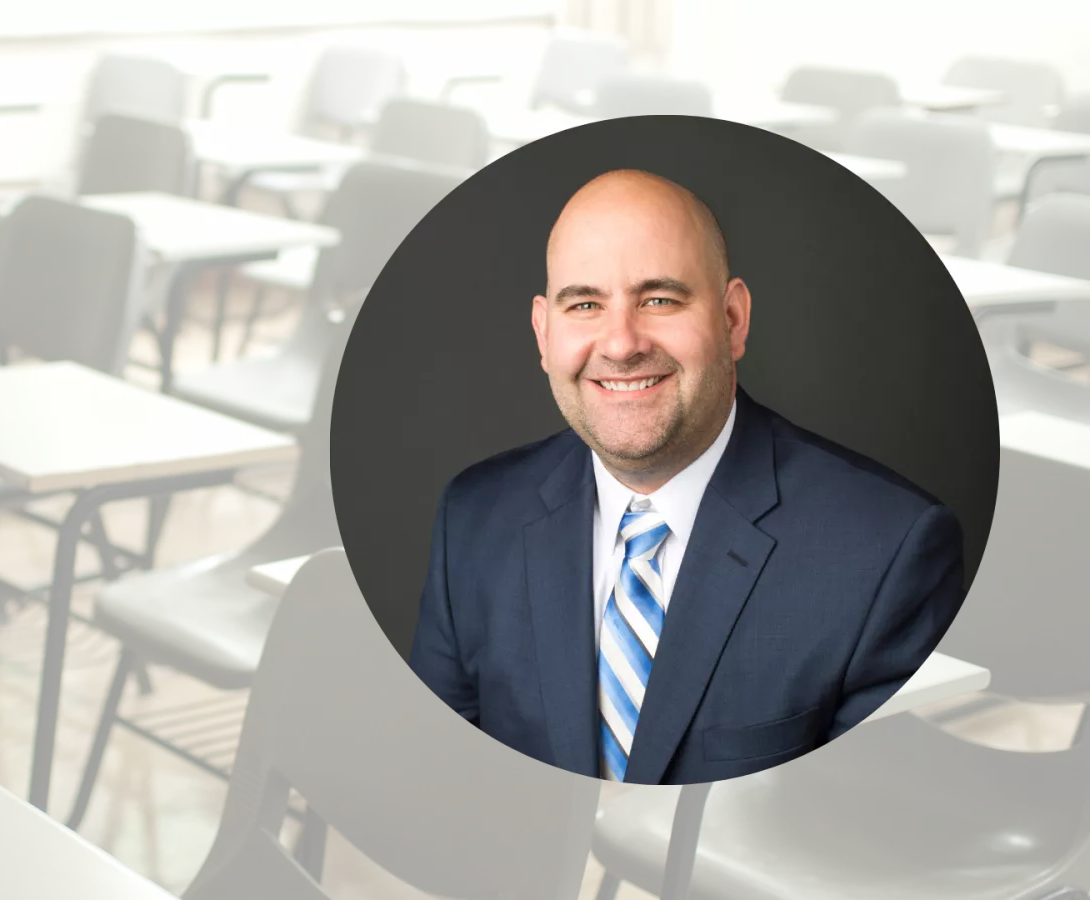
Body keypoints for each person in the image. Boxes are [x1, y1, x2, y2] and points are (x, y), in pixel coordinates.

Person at [408, 168, 966, 785]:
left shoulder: (887, 552)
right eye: (585, 305)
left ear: (733, 319)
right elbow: (444, 768)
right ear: (544, 334)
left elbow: (854, 816)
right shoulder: (474, 516)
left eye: (660, 300)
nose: (621, 344)